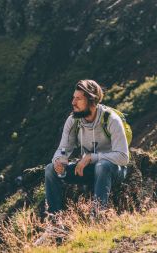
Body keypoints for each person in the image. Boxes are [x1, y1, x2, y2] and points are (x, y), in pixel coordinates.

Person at [44, 79, 129, 213]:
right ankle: (55, 221)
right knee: (50, 170)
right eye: (73, 98)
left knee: (102, 166)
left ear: (91, 100)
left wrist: (91, 157)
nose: (73, 103)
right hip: (87, 170)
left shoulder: (111, 119)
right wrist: (59, 161)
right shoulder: (73, 121)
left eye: (78, 99)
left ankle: (97, 216)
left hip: (113, 171)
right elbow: (63, 149)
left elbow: (124, 157)